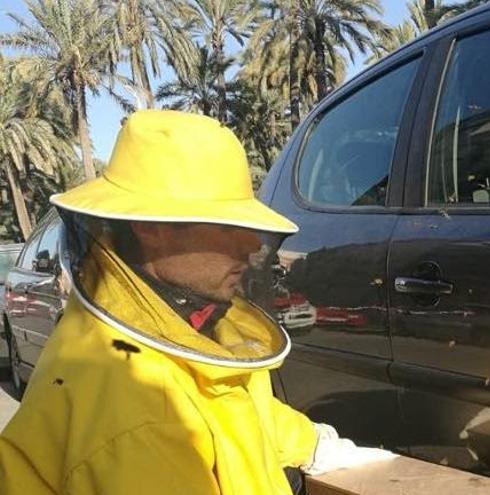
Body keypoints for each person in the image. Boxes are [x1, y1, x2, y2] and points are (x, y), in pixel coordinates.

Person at [0, 110, 392, 494]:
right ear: (151, 228)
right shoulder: (137, 416)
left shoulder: (172, 319)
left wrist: (318, 446)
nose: (252, 245)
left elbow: (237, 408)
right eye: (227, 226)